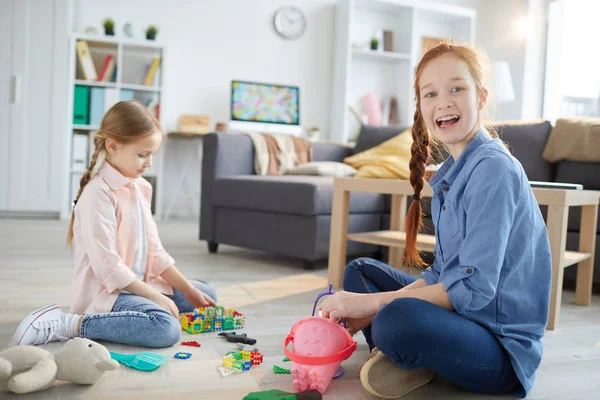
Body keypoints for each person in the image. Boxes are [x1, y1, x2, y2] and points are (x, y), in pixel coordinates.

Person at [319, 42, 551, 399]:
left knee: (393, 321)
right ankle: (415, 358)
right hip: (461, 322)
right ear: (422, 107)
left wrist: (372, 306)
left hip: (498, 350)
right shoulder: (450, 174)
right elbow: (443, 272)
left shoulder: (494, 169)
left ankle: (407, 352)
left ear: (481, 97)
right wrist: (372, 300)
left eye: (457, 88)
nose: (443, 101)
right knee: (361, 272)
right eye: (430, 94)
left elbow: (472, 290)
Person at [10, 100, 217, 349]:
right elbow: (110, 269)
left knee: (206, 292)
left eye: (153, 154)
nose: (149, 163)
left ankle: (142, 312)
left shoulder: (142, 187)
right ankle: (67, 324)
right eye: (143, 154)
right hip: (110, 293)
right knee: (166, 329)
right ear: (113, 145)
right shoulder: (98, 194)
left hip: (138, 284)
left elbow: (155, 252)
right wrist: (154, 297)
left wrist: (188, 290)